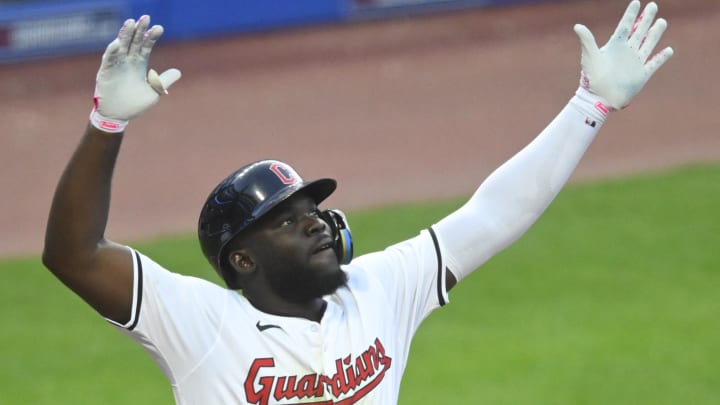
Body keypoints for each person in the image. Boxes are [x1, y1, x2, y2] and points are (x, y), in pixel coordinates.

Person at [43, 2, 673, 404]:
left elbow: (494, 215)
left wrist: (589, 107)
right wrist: (106, 126)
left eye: (313, 209)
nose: (316, 224)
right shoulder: (202, 326)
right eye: (287, 221)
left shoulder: (378, 292)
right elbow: (73, 256)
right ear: (242, 260)